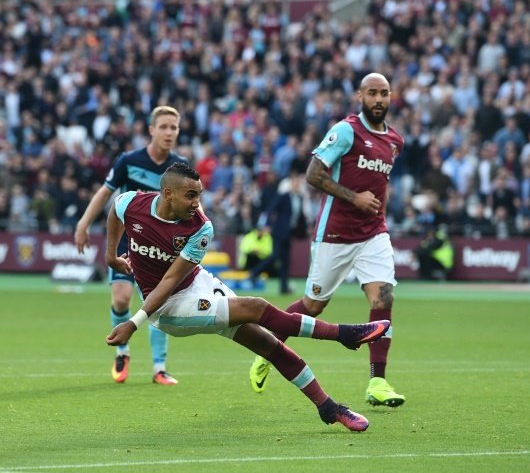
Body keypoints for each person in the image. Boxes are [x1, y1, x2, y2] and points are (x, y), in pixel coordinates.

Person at [105, 162, 390, 431]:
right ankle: (343, 334)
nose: (197, 203)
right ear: (167, 194)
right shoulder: (132, 203)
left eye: (199, 195)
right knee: (255, 307)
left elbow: (173, 276)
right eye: (190, 195)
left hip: (196, 285)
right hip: (168, 308)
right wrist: (111, 258)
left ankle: (328, 408)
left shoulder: (200, 227)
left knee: (269, 344)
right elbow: (116, 214)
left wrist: (132, 322)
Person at [249, 73, 406, 407]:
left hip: (374, 233)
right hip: (335, 234)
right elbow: (313, 174)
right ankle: (267, 349)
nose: (379, 99)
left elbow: (381, 185)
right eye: (373, 93)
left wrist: (380, 214)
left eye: (384, 94)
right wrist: (354, 198)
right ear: (360, 95)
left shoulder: (395, 140)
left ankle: (378, 381)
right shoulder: (346, 131)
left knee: (384, 298)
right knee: (312, 305)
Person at [75, 106, 188, 386]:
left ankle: (159, 368)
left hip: (160, 245)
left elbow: (191, 205)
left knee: (157, 305)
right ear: (151, 129)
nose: (169, 132)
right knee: (122, 299)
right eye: (163, 127)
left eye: (174, 127)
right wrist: (83, 223)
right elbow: (106, 192)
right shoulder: (129, 160)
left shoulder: (178, 167)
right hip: (128, 240)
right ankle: (122, 353)